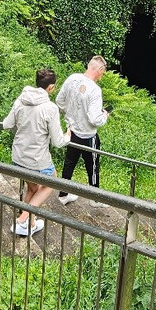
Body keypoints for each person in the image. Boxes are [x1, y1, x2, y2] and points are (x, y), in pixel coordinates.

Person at [3, 68, 70, 236]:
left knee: (33, 189)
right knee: (52, 182)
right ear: (51, 87)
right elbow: (58, 141)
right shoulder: (50, 108)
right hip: (37, 160)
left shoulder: (21, 100)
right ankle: (22, 218)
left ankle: (30, 225)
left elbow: (7, 124)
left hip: (18, 156)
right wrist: (68, 136)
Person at [56, 56, 109, 205]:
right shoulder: (95, 90)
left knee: (69, 163)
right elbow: (94, 119)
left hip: (71, 131)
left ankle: (63, 194)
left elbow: (59, 100)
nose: (102, 75)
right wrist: (104, 116)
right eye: (103, 72)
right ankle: (95, 198)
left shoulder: (72, 78)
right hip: (88, 135)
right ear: (99, 70)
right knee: (92, 166)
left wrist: (69, 114)